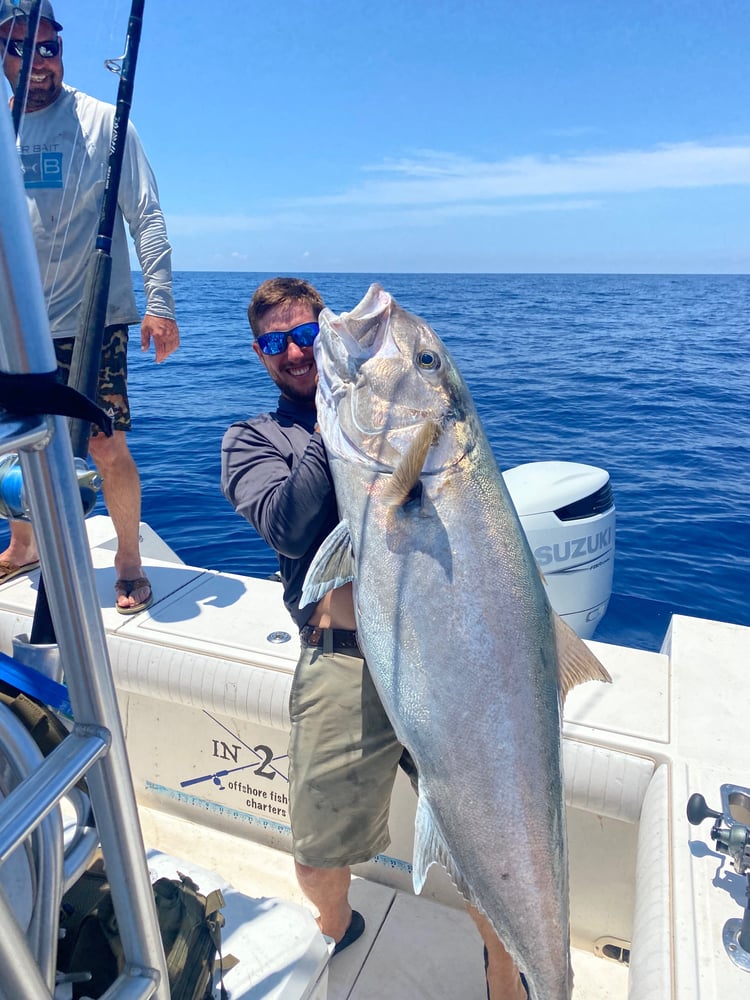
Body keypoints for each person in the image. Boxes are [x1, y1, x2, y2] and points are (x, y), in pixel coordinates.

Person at [221, 277, 530, 1000]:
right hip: (344, 663)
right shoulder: (252, 440)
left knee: (483, 846)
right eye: (277, 342)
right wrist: (341, 422)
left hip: (440, 658)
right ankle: (336, 928)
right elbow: (290, 527)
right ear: (260, 353)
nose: (296, 351)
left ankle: (508, 976)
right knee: (317, 846)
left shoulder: (395, 416)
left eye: (307, 333)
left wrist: (374, 412)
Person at [0, 0, 179, 613]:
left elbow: (146, 216)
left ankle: (128, 561)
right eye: (21, 47)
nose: (37, 62)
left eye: (48, 46)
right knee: (13, 440)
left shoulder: (106, 123)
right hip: (12, 327)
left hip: (91, 319)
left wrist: (161, 303)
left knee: (105, 445)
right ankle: (23, 544)